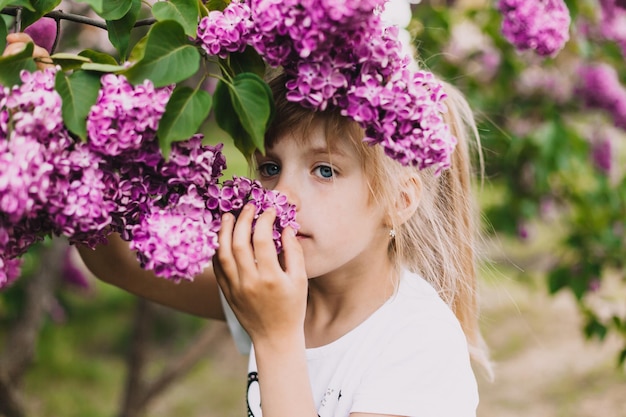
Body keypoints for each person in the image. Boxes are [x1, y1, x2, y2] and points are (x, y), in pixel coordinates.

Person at [5, 32, 491, 417]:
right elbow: (120, 267)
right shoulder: (285, 288)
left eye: (325, 170)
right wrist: (61, 125)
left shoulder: (418, 343)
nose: (281, 197)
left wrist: (276, 336)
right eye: (269, 167)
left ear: (399, 201)